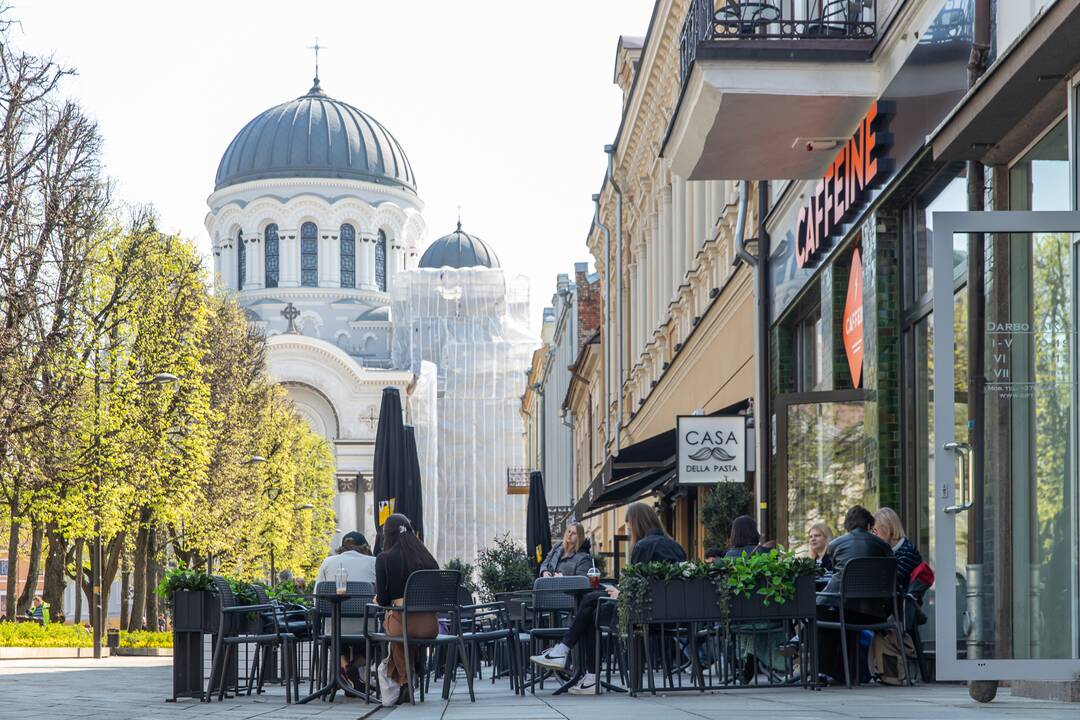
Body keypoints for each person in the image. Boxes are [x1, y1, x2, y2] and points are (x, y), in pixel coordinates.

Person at [530, 502, 686, 695]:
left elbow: (637, 585)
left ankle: (571, 658)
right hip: (672, 614)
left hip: (645, 613)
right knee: (592, 603)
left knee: (590, 605)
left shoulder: (643, 546)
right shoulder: (677, 547)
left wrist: (620, 592)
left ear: (637, 524)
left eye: (629, 526)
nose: (629, 530)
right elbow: (657, 584)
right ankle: (580, 668)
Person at [816, 505, 894, 683]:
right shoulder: (883, 546)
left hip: (844, 608)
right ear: (869, 526)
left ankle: (825, 671)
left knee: (821, 613)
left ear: (847, 526)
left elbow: (831, 569)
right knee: (833, 616)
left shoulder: (835, 544)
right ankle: (845, 672)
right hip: (874, 613)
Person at [375, 514, 439, 707]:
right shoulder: (429, 558)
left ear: (387, 534)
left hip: (402, 624)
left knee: (395, 628)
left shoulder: (384, 558)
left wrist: (379, 599)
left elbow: (384, 600)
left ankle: (405, 679)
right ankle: (415, 668)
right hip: (430, 626)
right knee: (401, 632)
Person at [315, 531, 376, 688]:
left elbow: (317, 595)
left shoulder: (328, 562)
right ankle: (352, 669)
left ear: (341, 549)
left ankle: (346, 669)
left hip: (333, 627)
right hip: (366, 627)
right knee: (377, 641)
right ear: (366, 548)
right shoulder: (373, 562)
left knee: (335, 637)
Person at [872, 507, 922, 591]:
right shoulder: (888, 549)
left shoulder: (908, 551)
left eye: (875, 530)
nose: (873, 534)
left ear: (888, 528)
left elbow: (891, 580)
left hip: (902, 601)